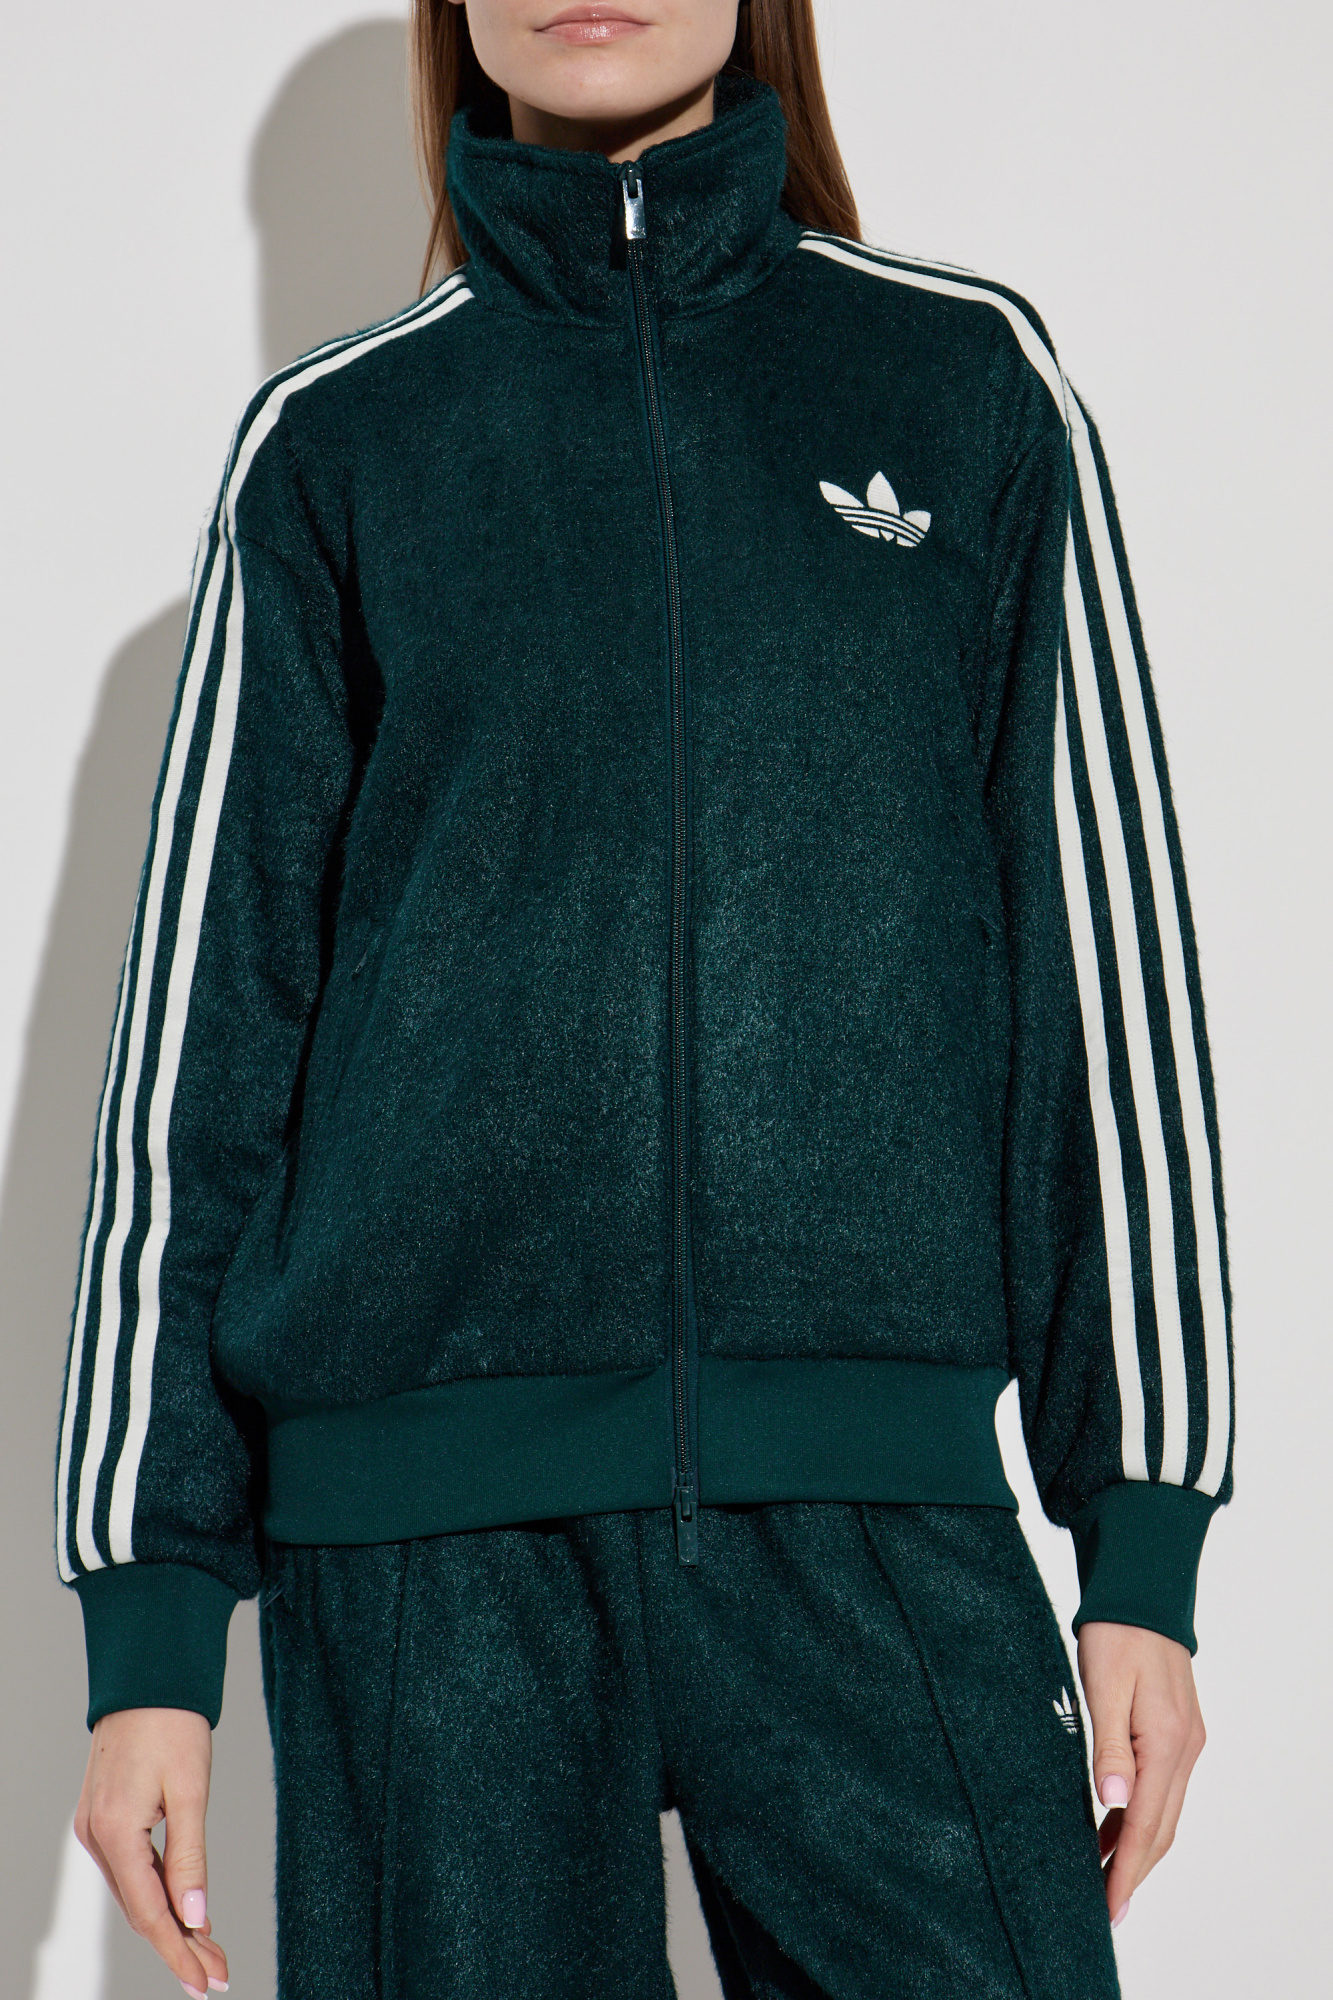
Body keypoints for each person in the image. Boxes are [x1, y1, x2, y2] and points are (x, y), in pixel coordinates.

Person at [56, 3, 1231, 1995]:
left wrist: (1142, 1535)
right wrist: (151, 1622)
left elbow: (1097, 985)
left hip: (871, 1518)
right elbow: (199, 1047)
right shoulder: (339, 444)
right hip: (431, 1570)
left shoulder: (962, 384)